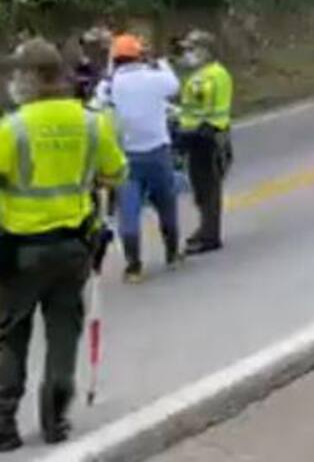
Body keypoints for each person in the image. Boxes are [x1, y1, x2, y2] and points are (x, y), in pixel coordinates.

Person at [0, 38, 126, 449]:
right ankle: (55, 419)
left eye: (18, 72)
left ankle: (4, 425)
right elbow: (116, 172)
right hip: (74, 246)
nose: (12, 80)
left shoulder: (12, 129)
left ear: (35, 79)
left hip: (19, 250)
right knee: (62, 330)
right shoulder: (91, 122)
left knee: (11, 335)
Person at [108, 34, 181, 282]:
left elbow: (100, 109)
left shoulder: (109, 85)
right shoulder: (155, 78)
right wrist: (159, 61)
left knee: (129, 211)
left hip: (126, 156)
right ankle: (172, 253)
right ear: (140, 55)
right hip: (158, 151)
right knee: (166, 204)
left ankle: (133, 266)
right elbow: (174, 85)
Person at [176, 30, 234, 255]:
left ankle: (211, 235)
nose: (188, 53)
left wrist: (205, 128)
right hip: (193, 136)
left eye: (192, 49)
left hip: (210, 136)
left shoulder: (216, 74)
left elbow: (217, 107)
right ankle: (204, 227)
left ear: (206, 50)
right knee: (199, 187)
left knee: (210, 187)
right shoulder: (196, 74)